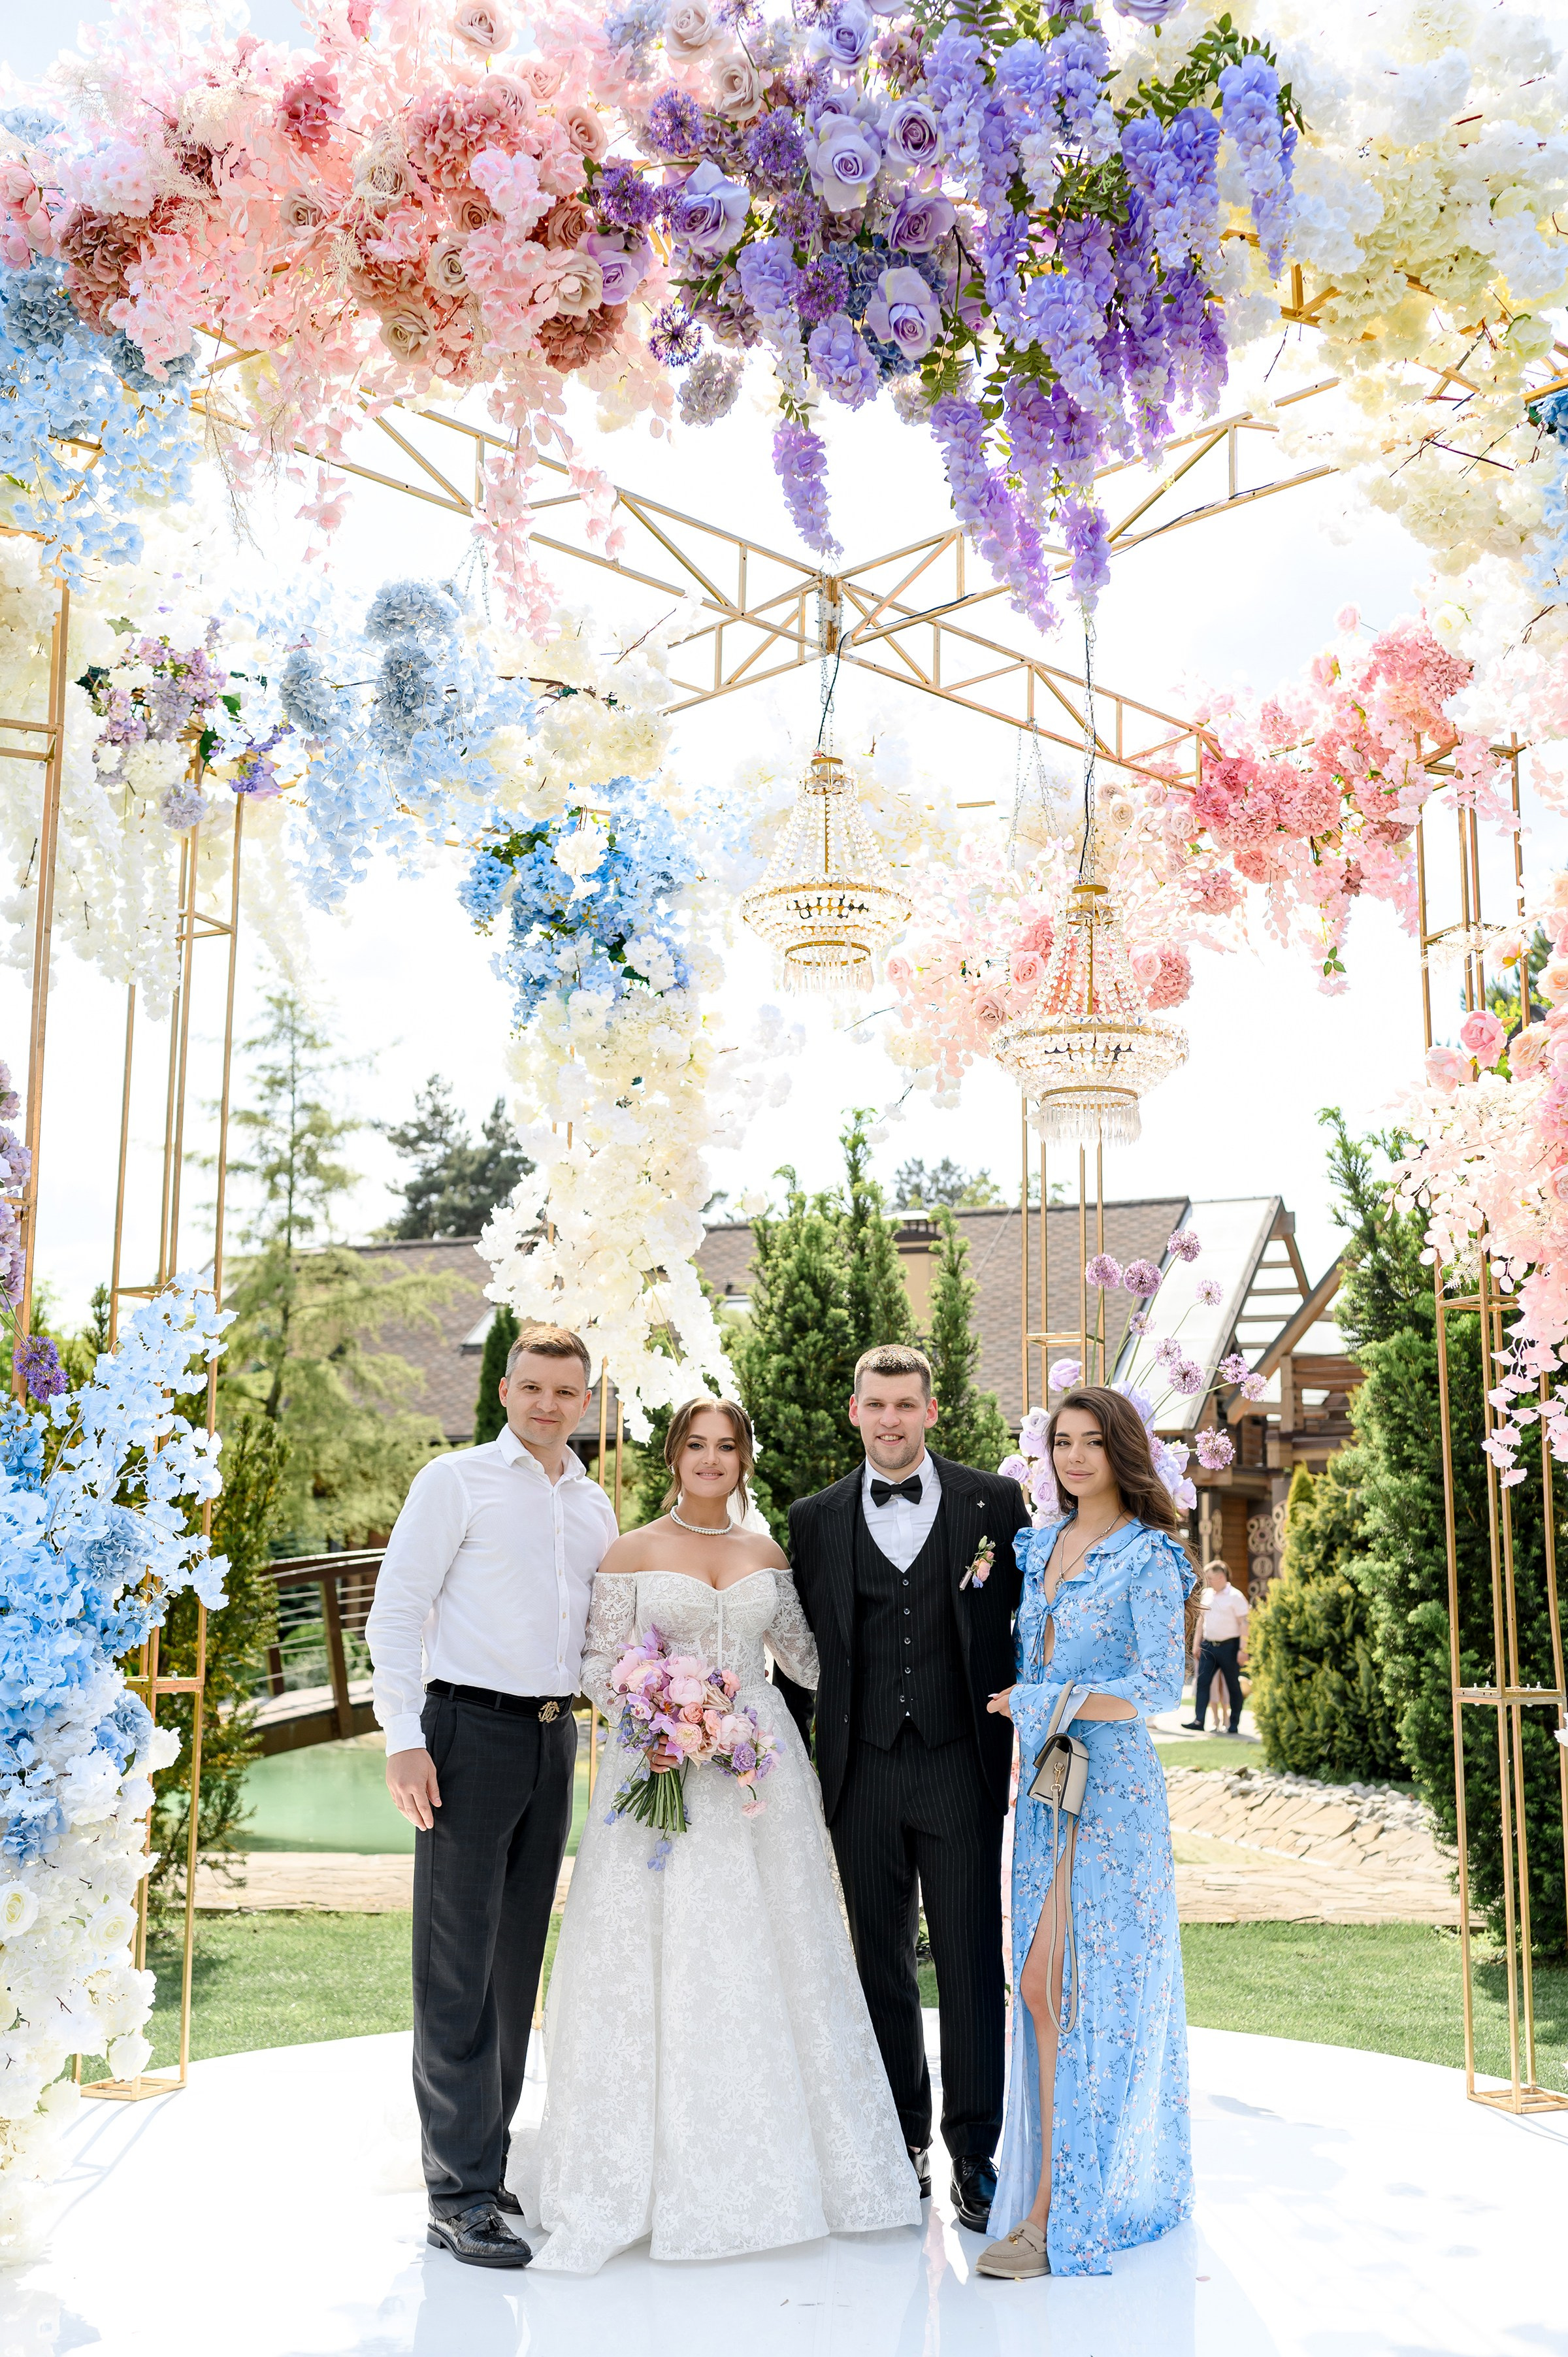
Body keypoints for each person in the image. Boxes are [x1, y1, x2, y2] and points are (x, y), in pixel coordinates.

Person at [520, 1396, 921, 2273]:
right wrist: (660, 1713)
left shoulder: (766, 1553)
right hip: (658, 1766)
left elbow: (808, 1658)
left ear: (744, 1458)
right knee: (655, 1952)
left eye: (727, 1445)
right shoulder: (630, 1550)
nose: (711, 1458)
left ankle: (792, 2166)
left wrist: (896, 1620)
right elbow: (597, 1663)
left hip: (757, 1771)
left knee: (774, 1948)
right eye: (697, 1444)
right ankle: (639, 2176)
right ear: (674, 1455)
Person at [365, 1325, 617, 2271]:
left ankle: (487, 2161)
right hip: (466, 1732)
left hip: (555, 1738)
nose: (548, 1404)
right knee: (456, 1965)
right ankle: (456, 2194)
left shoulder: (593, 1504)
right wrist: (404, 1736)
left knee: (515, 1968)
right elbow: (397, 1609)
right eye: (533, 1387)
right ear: (506, 1390)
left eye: (566, 1390)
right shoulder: (455, 1480)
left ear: (585, 1400)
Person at [787, 1345, 1030, 2237]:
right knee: (878, 1962)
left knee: (969, 1958)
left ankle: (974, 2150)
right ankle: (902, 2142)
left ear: (931, 1410)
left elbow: (1032, 1615)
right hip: (860, 1769)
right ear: (854, 1410)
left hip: (961, 1761)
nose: (890, 1419)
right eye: (876, 1404)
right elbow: (798, 1651)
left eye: (905, 1404)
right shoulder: (813, 1517)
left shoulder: (993, 1503)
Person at [978, 1384, 1196, 2281]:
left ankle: (1056, 2213)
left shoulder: (1150, 1556)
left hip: (1113, 1794)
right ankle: (1049, 2189)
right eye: (1062, 1441)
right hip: (1045, 1788)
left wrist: (1045, 1700)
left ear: (1122, 1451)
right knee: (1036, 1986)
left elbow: (1158, 1685)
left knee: (1075, 1991)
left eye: (1092, 1441)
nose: (1073, 1456)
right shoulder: (1036, 1546)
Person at [1183, 1560, 1250, 1736]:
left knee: (1233, 1685)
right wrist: (1196, 1644)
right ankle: (1199, 1721)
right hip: (1208, 1647)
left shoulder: (1236, 1596)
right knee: (1203, 1683)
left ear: (1221, 1577)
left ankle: (1233, 1724)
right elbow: (1201, 1620)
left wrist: (1243, 1650)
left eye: (1210, 1578)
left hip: (1229, 1647)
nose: (1208, 1581)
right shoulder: (1207, 1594)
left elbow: (1244, 1624)